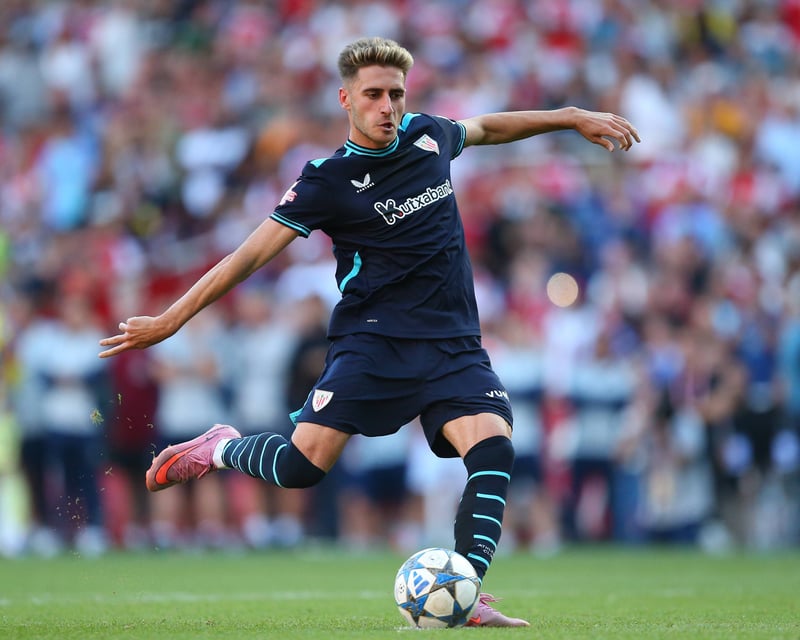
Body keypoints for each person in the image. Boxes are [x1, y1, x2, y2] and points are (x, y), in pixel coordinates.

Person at [99, 37, 639, 626]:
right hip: (373, 342)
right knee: (302, 468)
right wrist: (170, 320)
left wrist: (570, 116)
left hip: (453, 343)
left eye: (397, 94)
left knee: (494, 448)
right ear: (346, 99)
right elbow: (248, 256)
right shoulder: (326, 179)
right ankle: (219, 447)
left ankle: (465, 593)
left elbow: (488, 127)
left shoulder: (427, 136)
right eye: (375, 95)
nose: (389, 107)